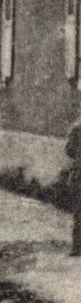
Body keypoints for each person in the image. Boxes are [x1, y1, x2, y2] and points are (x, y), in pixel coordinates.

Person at [67, 110, 81, 258]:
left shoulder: (76, 128)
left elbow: (69, 150)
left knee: (78, 213)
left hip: (79, 174)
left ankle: (77, 247)